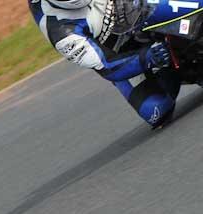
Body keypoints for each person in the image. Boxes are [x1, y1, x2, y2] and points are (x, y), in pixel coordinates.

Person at [29, 0, 179, 128]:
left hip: (139, 11)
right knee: (157, 110)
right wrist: (147, 57)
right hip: (122, 52)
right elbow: (108, 67)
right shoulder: (59, 32)